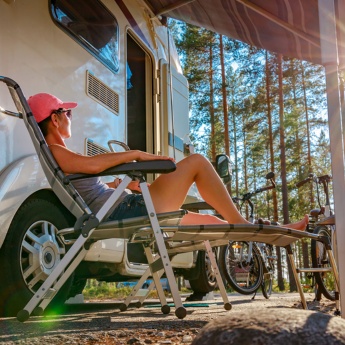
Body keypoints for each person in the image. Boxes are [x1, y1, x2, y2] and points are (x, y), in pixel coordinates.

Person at [27, 93, 308, 230]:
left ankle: (272, 229)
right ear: (55, 118)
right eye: (68, 113)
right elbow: (91, 166)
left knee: (211, 220)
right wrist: (136, 154)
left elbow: (91, 182)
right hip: (126, 211)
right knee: (196, 161)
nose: (70, 118)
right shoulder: (56, 150)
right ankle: (245, 225)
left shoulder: (59, 152)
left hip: (125, 204)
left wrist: (119, 184)